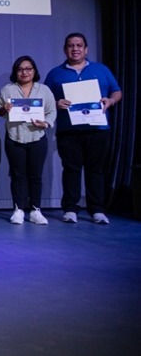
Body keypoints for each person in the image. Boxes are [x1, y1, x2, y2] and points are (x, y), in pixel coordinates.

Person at [44, 33, 122, 224]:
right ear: (65, 49)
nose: (75, 49)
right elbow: (45, 99)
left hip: (98, 128)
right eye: (71, 45)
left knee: (95, 170)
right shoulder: (55, 73)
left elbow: (117, 91)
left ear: (86, 49)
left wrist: (110, 100)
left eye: (79, 45)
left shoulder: (101, 69)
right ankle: (70, 208)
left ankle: (97, 209)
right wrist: (56, 102)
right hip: (68, 131)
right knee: (71, 169)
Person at [0, 56, 56, 225]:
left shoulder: (44, 90)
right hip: (15, 137)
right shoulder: (7, 90)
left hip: (37, 137)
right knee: (17, 175)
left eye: (28, 69)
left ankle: (36, 210)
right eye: (21, 69)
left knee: (35, 176)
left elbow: (52, 111)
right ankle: (18, 209)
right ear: (16, 72)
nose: (24, 72)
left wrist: (46, 123)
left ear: (34, 71)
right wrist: (4, 108)